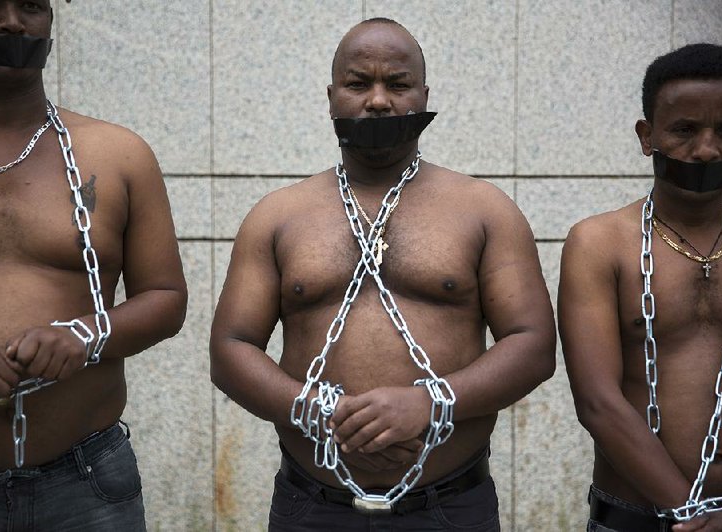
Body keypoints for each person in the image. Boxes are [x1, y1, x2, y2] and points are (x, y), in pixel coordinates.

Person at [211, 17, 555, 531]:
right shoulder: (278, 215)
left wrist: (430, 404)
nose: (377, 100)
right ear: (331, 97)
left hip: (449, 506)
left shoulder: (484, 209)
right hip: (312, 507)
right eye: (358, 83)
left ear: (423, 94)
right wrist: (321, 415)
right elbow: (230, 349)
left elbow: (532, 345)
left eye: (397, 84)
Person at [0, 1, 187, 530]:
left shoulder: (118, 154)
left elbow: (166, 299)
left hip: (86, 482)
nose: (12, 22)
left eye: (31, 5)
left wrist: (86, 335)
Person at [560, 43, 722, 532]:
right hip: (633, 518)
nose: (706, 150)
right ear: (647, 136)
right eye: (684, 130)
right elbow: (598, 401)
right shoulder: (599, 244)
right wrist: (694, 517)